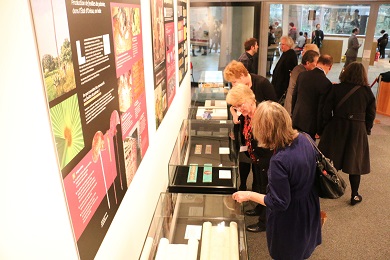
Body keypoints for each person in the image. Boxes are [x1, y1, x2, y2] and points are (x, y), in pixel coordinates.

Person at [232, 101, 322, 259]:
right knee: (302, 250)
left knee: (287, 254)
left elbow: (279, 202)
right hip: (309, 208)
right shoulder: (305, 138)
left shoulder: (279, 160)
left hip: (291, 218)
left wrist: (249, 195)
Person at [318, 62, 376, 206]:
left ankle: (323, 189)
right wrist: (366, 129)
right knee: (354, 162)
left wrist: (326, 125)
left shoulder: (336, 88)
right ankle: (354, 195)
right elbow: (371, 115)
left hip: (336, 126)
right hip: (357, 130)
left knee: (330, 161)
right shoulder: (367, 92)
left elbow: (326, 109)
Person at [226, 85, 274, 233]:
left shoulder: (263, 114)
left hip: (268, 159)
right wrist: (235, 111)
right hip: (256, 158)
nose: (239, 108)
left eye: (241, 105)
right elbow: (235, 114)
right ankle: (259, 209)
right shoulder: (246, 114)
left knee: (268, 190)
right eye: (236, 106)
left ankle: (264, 222)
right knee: (259, 185)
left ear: (250, 99)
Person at [292, 54, 333, 140]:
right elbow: (322, 109)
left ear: (317, 63)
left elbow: (294, 96)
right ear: (330, 67)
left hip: (297, 118)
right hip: (311, 125)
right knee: (307, 150)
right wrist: (320, 130)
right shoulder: (326, 83)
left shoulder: (302, 75)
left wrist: (293, 114)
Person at [284, 50, 320, 116]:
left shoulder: (299, 68)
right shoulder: (302, 73)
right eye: (316, 62)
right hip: (293, 108)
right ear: (308, 63)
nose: (317, 65)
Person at [271, 35, 298, 101]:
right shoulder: (285, 53)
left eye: (283, 44)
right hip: (278, 85)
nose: (281, 46)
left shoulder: (291, 55)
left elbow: (289, 73)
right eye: (280, 44)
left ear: (288, 45)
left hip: (282, 87)